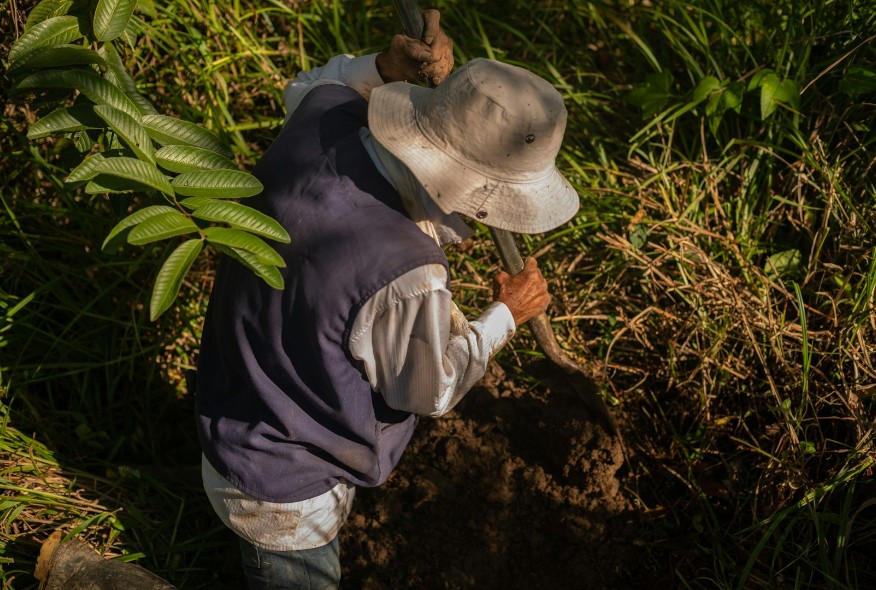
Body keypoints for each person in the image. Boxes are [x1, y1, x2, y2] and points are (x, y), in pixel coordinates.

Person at [194, 9, 579, 589]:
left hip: (232, 402)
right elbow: (431, 389)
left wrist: (383, 67)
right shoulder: (403, 273)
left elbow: (313, 83)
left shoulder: (322, 113)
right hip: (287, 497)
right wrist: (507, 316)